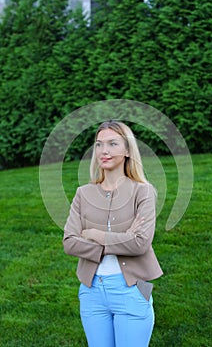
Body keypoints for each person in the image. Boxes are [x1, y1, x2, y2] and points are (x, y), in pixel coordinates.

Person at [63, 120, 163, 347]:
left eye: (112, 144)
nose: (104, 151)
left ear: (127, 150)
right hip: (91, 292)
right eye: (99, 145)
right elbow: (69, 243)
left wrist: (95, 235)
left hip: (131, 291)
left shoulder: (143, 192)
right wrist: (122, 239)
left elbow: (140, 244)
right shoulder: (83, 193)